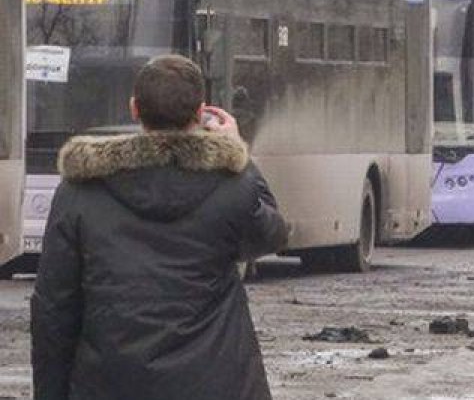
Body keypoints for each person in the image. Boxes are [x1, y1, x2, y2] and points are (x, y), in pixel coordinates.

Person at [31, 55, 289, 400]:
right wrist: (237, 155)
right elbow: (272, 234)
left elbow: (54, 308)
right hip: (215, 383)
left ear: (135, 109)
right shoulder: (230, 188)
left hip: (109, 384)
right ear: (200, 114)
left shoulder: (80, 191)